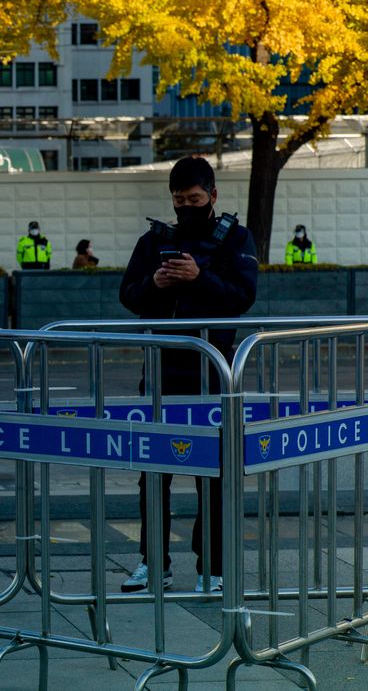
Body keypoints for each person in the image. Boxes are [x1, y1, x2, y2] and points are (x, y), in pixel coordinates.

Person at [119, 156, 258, 594]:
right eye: (179, 200)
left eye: (194, 199)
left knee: (212, 474)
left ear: (213, 196)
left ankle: (212, 569)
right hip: (162, 373)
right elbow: (128, 295)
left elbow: (242, 297)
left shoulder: (235, 239)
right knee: (153, 472)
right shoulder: (154, 240)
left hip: (213, 373)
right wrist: (155, 286)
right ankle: (152, 563)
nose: (186, 207)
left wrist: (199, 278)